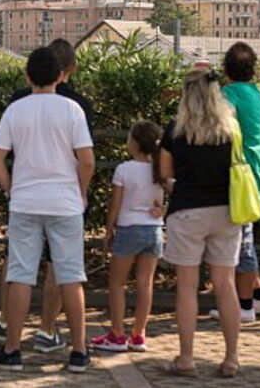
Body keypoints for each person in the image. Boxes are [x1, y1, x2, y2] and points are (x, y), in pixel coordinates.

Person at [0, 47, 95, 373]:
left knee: (20, 275)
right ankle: (79, 352)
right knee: (71, 276)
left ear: (27, 76)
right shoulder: (72, 110)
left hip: (26, 201)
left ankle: (12, 349)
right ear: (61, 75)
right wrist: (81, 192)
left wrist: (11, 188)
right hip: (66, 202)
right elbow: (86, 160)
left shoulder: (16, 110)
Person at [160, 70, 242, 378]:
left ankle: (186, 358)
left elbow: (166, 174)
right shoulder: (230, 129)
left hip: (187, 211)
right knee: (225, 285)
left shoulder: (176, 130)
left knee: (187, 286)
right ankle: (231, 357)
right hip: (226, 211)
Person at [209, 42, 260, 324]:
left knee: (243, 245)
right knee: (245, 235)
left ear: (226, 69)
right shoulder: (256, 93)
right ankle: (259, 298)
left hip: (237, 178)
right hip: (254, 175)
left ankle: (244, 306)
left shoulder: (228, 95)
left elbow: (217, 128)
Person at [90, 120, 164, 353]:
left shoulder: (124, 169)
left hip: (129, 228)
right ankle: (139, 334)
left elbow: (115, 204)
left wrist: (108, 229)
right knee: (145, 283)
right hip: (153, 229)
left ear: (134, 142)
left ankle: (117, 333)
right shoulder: (160, 169)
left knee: (118, 283)